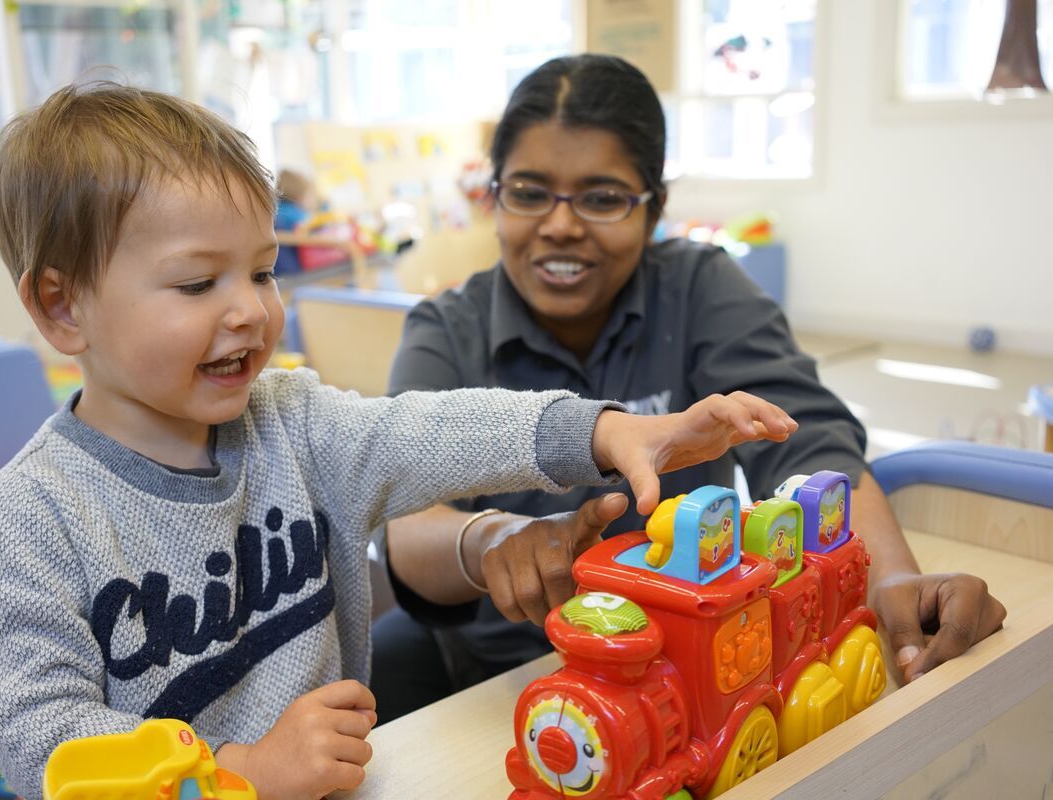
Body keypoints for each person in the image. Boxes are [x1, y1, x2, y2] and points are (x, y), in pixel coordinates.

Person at [0, 82, 799, 800]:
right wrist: (241, 771)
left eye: (263, 271)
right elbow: (41, 741)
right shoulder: (33, 514)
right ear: (62, 307)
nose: (250, 309)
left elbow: (430, 431)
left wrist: (605, 430)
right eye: (197, 282)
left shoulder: (291, 421)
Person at [371, 53, 1007, 723]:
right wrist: (489, 540)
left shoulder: (700, 289)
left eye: (602, 198)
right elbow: (407, 526)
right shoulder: (447, 329)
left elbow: (807, 442)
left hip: (689, 665)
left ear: (654, 209)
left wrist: (893, 577)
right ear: (494, 196)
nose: (560, 224)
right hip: (499, 677)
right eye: (529, 193)